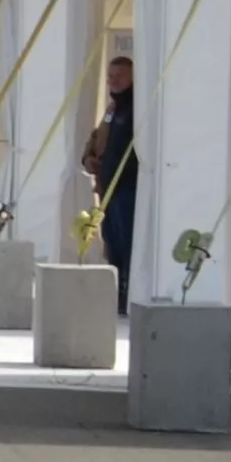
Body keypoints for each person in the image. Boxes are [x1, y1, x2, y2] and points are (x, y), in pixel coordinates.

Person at [83, 52, 139, 293]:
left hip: (127, 188)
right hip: (108, 190)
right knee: (112, 244)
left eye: (120, 76)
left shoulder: (136, 107)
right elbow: (98, 135)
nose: (113, 81)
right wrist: (88, 157)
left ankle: (128, 290)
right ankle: (116, 292)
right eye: (110, 76)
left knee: (126, 245)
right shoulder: (112, 108)